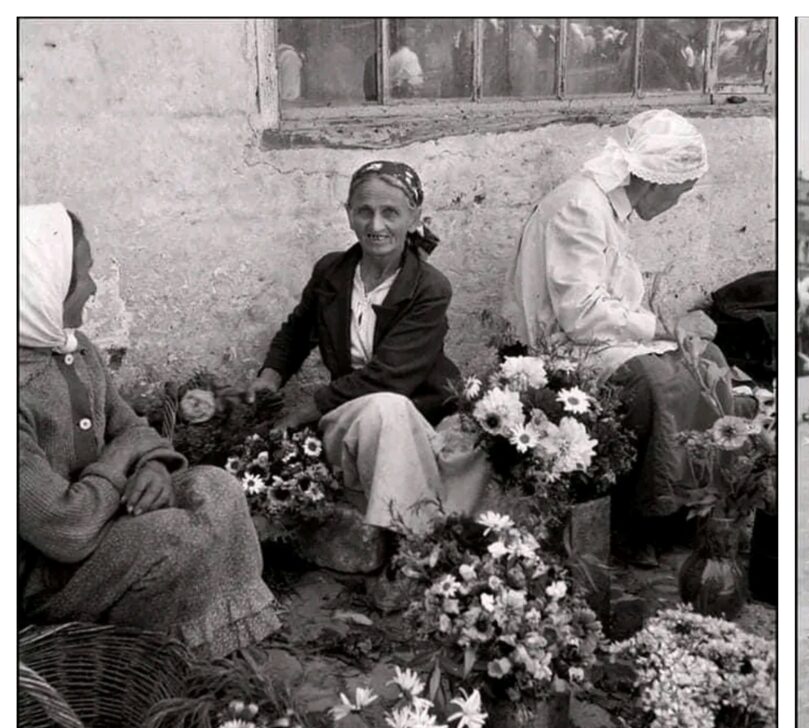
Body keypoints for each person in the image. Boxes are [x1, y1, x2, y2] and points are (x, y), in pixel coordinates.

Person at [19, 204, 279, 659]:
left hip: (110, 525)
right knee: (174, 535)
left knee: (217, 487)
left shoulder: (80, 355)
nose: (95, 288)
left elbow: (134, 429)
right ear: (40, 288)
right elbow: (66, 530)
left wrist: (155, 467)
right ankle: (152, 660)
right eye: (81, 277)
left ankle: (224, 639)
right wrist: (123, 460)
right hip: (52, 576)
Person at [503, 109, 750, 568]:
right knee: (655, 381)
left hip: (596, 336)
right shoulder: (580, 205)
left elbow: (610, 300)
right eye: (682, 192)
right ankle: (640, 522)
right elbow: (580, 314)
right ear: (657, 180)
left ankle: (691, 511)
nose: (678, 202)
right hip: (562, 343)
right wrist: (660, 327)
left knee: (709, 360)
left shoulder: (609, 208)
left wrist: (668, 329)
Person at [249, 161, 472, 544]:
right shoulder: (332, 273)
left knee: (394, 407)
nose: (376, 225)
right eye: (364, 211)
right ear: (349, 214)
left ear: (414, 216)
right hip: (351, 421)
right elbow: (297, 331)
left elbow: (391, 376)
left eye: (391, 212)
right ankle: (417, 546)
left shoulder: (429, 288)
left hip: (419, 416)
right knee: (383, 410)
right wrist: (268, 378)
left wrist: (300, 413)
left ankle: (415, 543)